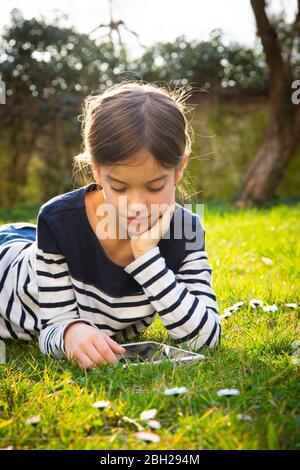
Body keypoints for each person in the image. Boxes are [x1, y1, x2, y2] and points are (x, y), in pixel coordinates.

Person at [0, 81, 221, 371]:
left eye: (155, 187)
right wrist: (70, 333)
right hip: (10, 269)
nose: (136, 206)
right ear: (96, 170)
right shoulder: (58, 221)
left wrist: (145, 256)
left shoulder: (186, 230)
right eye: (119, 187)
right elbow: (52, 327)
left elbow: (205, 339)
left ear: (179, 168)